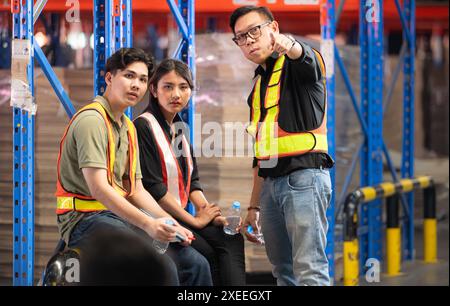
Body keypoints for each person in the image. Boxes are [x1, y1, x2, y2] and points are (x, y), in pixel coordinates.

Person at [55, 47, 212, 286]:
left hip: (116, 216)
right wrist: (148, 224)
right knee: (162, 266)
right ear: (109, 78)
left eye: (142, 79)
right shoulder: (92, 120)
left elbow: (136, 190)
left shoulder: (127, 127)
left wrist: (173, 223)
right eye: (129, 76)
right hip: (84, 219)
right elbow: (99, 189)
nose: (136, 85)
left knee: (195, 263)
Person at [229, 6, 334, 286]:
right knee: (282, 272)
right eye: (241, 37)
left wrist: (289, 45)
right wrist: (254, 206)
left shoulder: (298, 67)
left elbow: (308, 60)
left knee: (309, 268)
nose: (249, 40)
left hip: (305, 179)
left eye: (255, 30)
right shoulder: (258, 88)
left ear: (273, 28)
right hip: (271, 187)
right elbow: (260, 154)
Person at [134, 59, 246, 286]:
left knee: (231, 239)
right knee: (207, 253)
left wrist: (212, 216)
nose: (177, 94)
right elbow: (154, 189)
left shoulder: (179, 128)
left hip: (182, 215)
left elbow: (192, 182)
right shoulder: (143, 126)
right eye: (168, 86)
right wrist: (195, 222)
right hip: (158, 218)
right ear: (154, 90)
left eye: (183, 87)